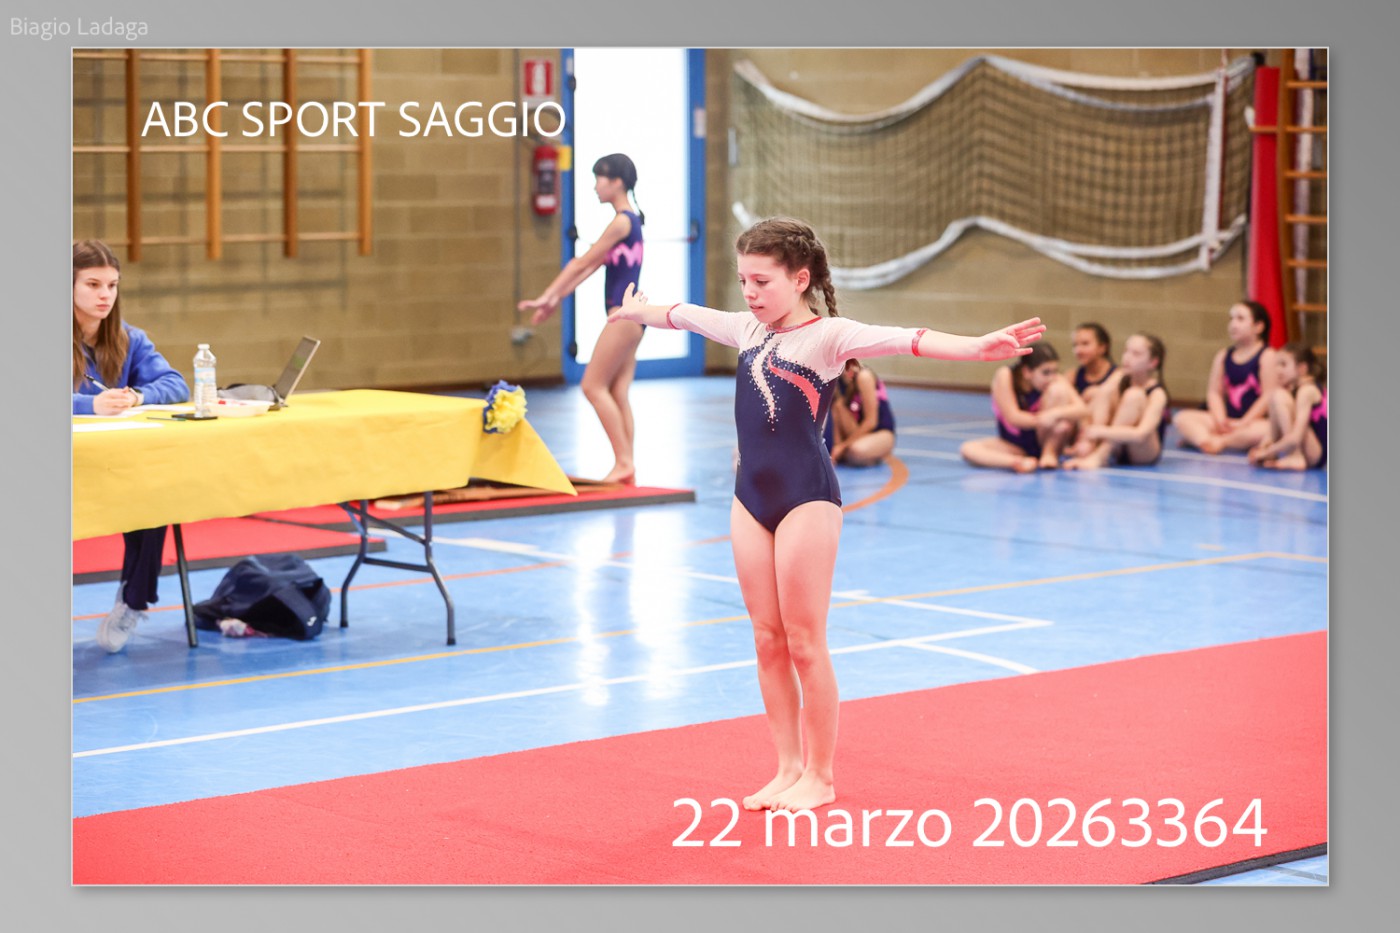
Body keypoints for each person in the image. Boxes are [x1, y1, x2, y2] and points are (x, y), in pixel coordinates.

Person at [610, 217, 1043, 812]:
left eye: (762, 281)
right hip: (748, 499)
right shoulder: (745, 328)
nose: (750, 293)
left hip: (806, 499)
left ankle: (821, 775)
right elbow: (683, 314)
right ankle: (787, 767)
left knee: (804, 641)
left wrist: (973, 347)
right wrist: (641, 311)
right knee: (766, 639)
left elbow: (905, 338)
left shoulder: (828, 338)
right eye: (743, 280)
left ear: (800, 279)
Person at [72, 240, 190, 652]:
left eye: (112, 285)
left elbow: (176, 384)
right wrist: (89, 405)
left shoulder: (129, 338)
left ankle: (133, 600)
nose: (104, 295)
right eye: (93, 284)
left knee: (157, 495)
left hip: (118, 463)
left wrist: (138, 396)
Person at [518, 153, 646, 484]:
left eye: (599, 179)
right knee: (617, 390)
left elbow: (579, 262)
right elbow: (588, 269)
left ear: (617, 182)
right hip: (633, 317)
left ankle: (623, 462)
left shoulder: (622, 222)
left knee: (592, 386)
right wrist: (553, 299)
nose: (595, 186)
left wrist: (547, 295)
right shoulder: (630, 222)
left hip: (622, 316)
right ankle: (628, 467)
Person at [959, 343, 1086, 473]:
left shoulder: (1055, 380)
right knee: (968, 449)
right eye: (1046, 372)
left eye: (1055, 371)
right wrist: (1041, 420)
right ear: (1027, 372)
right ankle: (1017, 462)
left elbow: (1082, 409)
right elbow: (1013, 417)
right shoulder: (1006, 375)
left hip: (1043, 439)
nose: (1051, 378)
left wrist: (1055, 414)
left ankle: (1049, 452)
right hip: (1016, 445)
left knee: (1059, 398)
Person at [1172, 300, 1278, 454]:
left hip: (1252, 422)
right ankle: (1206, 440)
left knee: (1269, 429)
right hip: (1228, 421)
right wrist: (1220, 420)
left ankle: (1220, 441)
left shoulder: (1267, 355)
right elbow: (1214, 392)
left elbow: (1268, 396)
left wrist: (1244, 422)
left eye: (1240, 319)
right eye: (1231, 319)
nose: (1233, 324)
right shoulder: (1223, 355)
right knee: (1181, 418)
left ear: (1258, 327)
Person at [1063, 333, 1171, 470]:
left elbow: (1140, 434)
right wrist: (1088, 436)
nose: (1127, 357)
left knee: (1134, 395)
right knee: (1102, 392)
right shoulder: (1119, 376)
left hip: (1142, 452)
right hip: (1117, 445)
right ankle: (1092, 447)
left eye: (1136, 354)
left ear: (1153, 362)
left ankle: (1099, 457)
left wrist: (1102, 431)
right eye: (1126, 351)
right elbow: (1098, 399)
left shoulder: (1157, 393)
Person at [1247, 342, 1327, 470]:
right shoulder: (1293, 389)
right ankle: (1289, 455)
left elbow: (1295, 438)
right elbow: (1273, 429)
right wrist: (1263, 446)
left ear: (1302, 368)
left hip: (1317, 455)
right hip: (1311, 450)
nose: (1278, 370)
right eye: (1277, 365)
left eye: (1283, 365)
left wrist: (1266, 452)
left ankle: (1295, 456)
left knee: (1279, 395)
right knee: (1275, 395)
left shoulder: (1306, 390)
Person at [824, 358, 896, 466]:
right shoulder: (836, 379)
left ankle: (872, 453)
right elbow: (835, 412)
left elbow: (871, 422)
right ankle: (848, 452)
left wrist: (842, 447)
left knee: (856, 451)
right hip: (855, 431)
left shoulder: (864, 376)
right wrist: (835, 448)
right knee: (837, 405)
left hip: (879, 432)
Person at [1071, 322, 1116, 405]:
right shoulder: (1073, 376)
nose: (1078, 350)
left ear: (1102, 347)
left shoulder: (1117, 375)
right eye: (1075, 345)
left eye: (1085, 344)